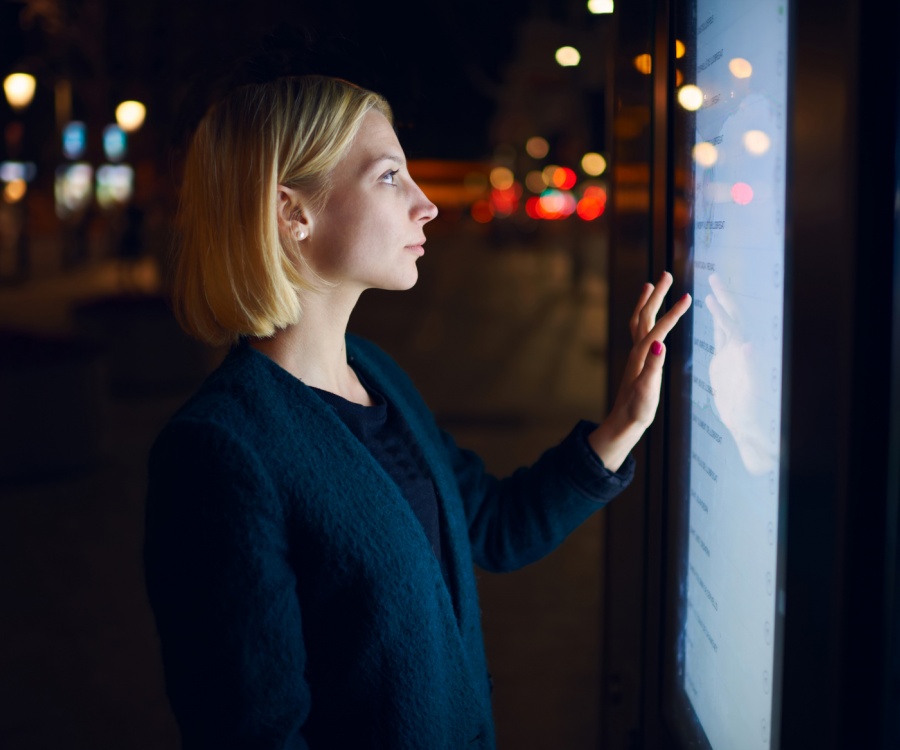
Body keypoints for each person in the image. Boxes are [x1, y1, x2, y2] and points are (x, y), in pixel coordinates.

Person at [143, 74, 691, 750]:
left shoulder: (377, 375)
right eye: (390, 178)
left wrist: (622, 427)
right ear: (292, 214)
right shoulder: (217, 451)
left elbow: (492, 527)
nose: (428, 205)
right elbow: (252, 734)